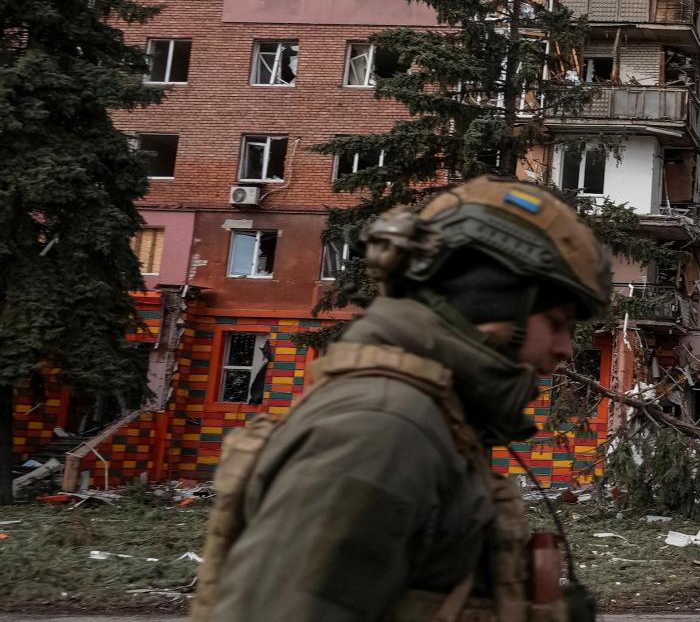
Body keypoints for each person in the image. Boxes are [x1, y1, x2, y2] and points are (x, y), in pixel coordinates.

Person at [194, 177, 611, 622]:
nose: (566, 348)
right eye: (556, 322)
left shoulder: (431, 417)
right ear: (489, 304)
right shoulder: (381, 429)